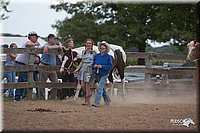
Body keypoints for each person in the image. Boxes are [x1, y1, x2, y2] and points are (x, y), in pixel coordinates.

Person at [14, 31, 41, 101]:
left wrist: (37, 57)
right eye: (35, 37)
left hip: (25, 64)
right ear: (31, 37)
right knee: (26, 80)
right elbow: (28, 44)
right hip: (20, 63)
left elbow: (35, 53)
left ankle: (18, 97)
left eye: (36, 37)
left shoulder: (34, 45)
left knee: (21, 80)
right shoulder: (28, 41)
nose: (36, 38)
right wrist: (36, 44)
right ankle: (23, 96)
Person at [39, 33, 64, 100]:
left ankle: (52, 98)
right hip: (45, 65)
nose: (56, 40)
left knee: (55, 83)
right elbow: (46, 47)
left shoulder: (55, 45)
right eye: (54, 39)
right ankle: (42, 98)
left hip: (52, 67)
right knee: (42, 83)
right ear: (50, 39)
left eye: (56, 39)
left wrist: (60, 46)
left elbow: (60, 49)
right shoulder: (46, 45)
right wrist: (58, 47)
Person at [74, 38, 96, 105]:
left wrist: (91, 65)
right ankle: (89, 94)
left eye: (90, 43)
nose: (88, 44)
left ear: (92, 44)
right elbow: (82, 61)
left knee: (87, 84)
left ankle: (87, 100)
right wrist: (77, 69)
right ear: (85, 44)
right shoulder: (83, 52)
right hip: (83, 68)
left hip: (89, 68)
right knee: (82, 85)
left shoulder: (94, 52)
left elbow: (95, 61)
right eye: (87, 43)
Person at [92, 41, 112, 107]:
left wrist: (102, 66)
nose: (102, 49)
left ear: (106, 49)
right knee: (102, 88)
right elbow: (93, 64)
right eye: (101, 48)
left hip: (104, 74)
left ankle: (96, 102)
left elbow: (110, 66)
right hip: (97, 73)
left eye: (103, 48)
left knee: (99, 87)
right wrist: (94, 66)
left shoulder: (108, 57)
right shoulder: (96, 56)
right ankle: (107, 100)